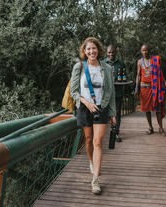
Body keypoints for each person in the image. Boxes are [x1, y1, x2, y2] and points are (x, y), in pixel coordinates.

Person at [70, 37, 116, 195]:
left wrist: (112, 113)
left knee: (97, 142)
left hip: (101, 108)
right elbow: (73, 91)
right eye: (88, 49)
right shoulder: (79, 67)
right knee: (88, 140)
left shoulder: (106, 68)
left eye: (94, 48)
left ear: (99, 50)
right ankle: (91, 161)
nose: (91, 51)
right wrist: (86, 102)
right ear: (84, 51)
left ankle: (95, 179)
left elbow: (111, 91)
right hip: (84, 108)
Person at [134, 44, 166, 136]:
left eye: (146, 50)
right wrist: (136, 88)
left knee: (157, 109)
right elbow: (138, 75)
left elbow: (160, 73)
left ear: (149, 50)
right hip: (143, 89)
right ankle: (150, 127)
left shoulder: (156, 60)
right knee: (147, 110)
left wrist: (165, 83)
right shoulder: (139, 62)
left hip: (154, 88)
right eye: (143, 50)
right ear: (141, 52)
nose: (145, 52)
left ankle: (161, 128)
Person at [104, 45, 126, 142]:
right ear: (106, 53)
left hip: (118, 93)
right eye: (109, 52)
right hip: (106, 94)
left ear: (115, 52)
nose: (111, 54)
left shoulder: (121, 64)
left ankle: (116, 133)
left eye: (113, 52)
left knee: (117, 113)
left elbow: (124, 77)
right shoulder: (103, 63)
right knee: (105, 114)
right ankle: (106, 132)